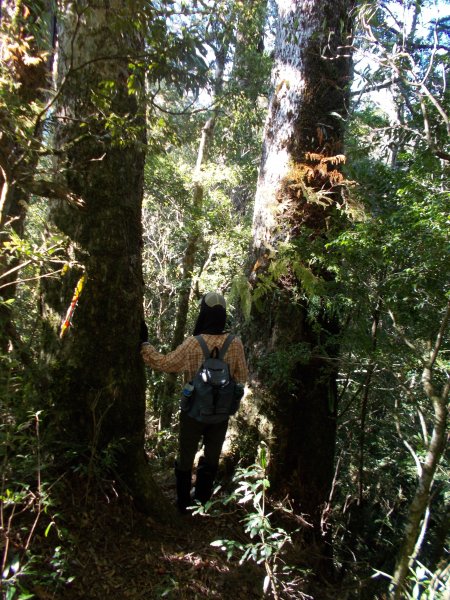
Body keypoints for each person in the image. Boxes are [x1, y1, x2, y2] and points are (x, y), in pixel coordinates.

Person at [140, 292, 248, 513]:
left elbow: (164, 363)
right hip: (220, 414)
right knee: (211, 459)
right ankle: (201, 504)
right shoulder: (235, 343)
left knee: (185, 456)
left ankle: (182, 506)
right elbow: (242, 377)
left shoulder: (193, 343)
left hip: (193, 412)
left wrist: (144, 345)